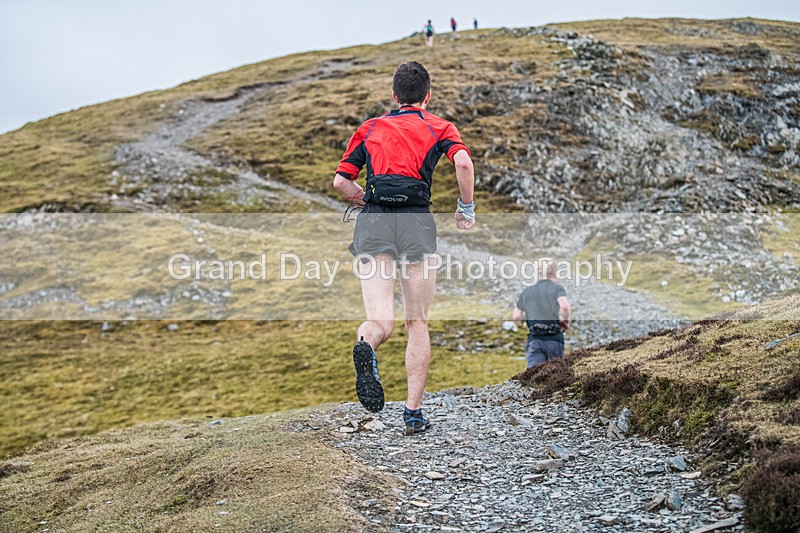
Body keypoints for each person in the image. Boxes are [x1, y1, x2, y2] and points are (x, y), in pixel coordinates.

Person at [333, 62, 476, 435]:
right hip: (415, 223)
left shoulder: (371, 128)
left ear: (394, 95)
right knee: (417, 320)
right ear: (426, 95)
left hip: (375, 221)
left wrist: (365, 200)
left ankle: (368, 342)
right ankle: (413, 413)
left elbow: (340, 182)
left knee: (381, 320)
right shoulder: (439, 126)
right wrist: (466, 207)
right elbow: (462, 161)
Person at [512, 258, 571, 367]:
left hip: (534, 340)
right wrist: (565, 323)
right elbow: (564, 307)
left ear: (538, 272)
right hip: (553, 339)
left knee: (534, 376)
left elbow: (516, 316)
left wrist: (528, 316)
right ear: (555, 272)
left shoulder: (527, 291)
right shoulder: (557, 288)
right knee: (555, 376)